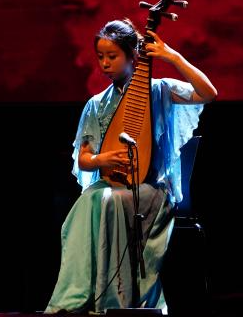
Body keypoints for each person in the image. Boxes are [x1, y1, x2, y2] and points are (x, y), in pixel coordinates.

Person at [45, 18, 218, 313]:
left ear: (132, 55)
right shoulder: (96, 103)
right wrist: (102, 160)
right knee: (88, 202)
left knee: (109, 202)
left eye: (112, 56)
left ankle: (116, 299)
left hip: (150, 189)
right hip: (110, 186)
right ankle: (78, 295)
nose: (105, 64)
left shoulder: (160, 91)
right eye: (100, 57)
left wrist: (171, 56)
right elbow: (85, 159)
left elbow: (208, 93)